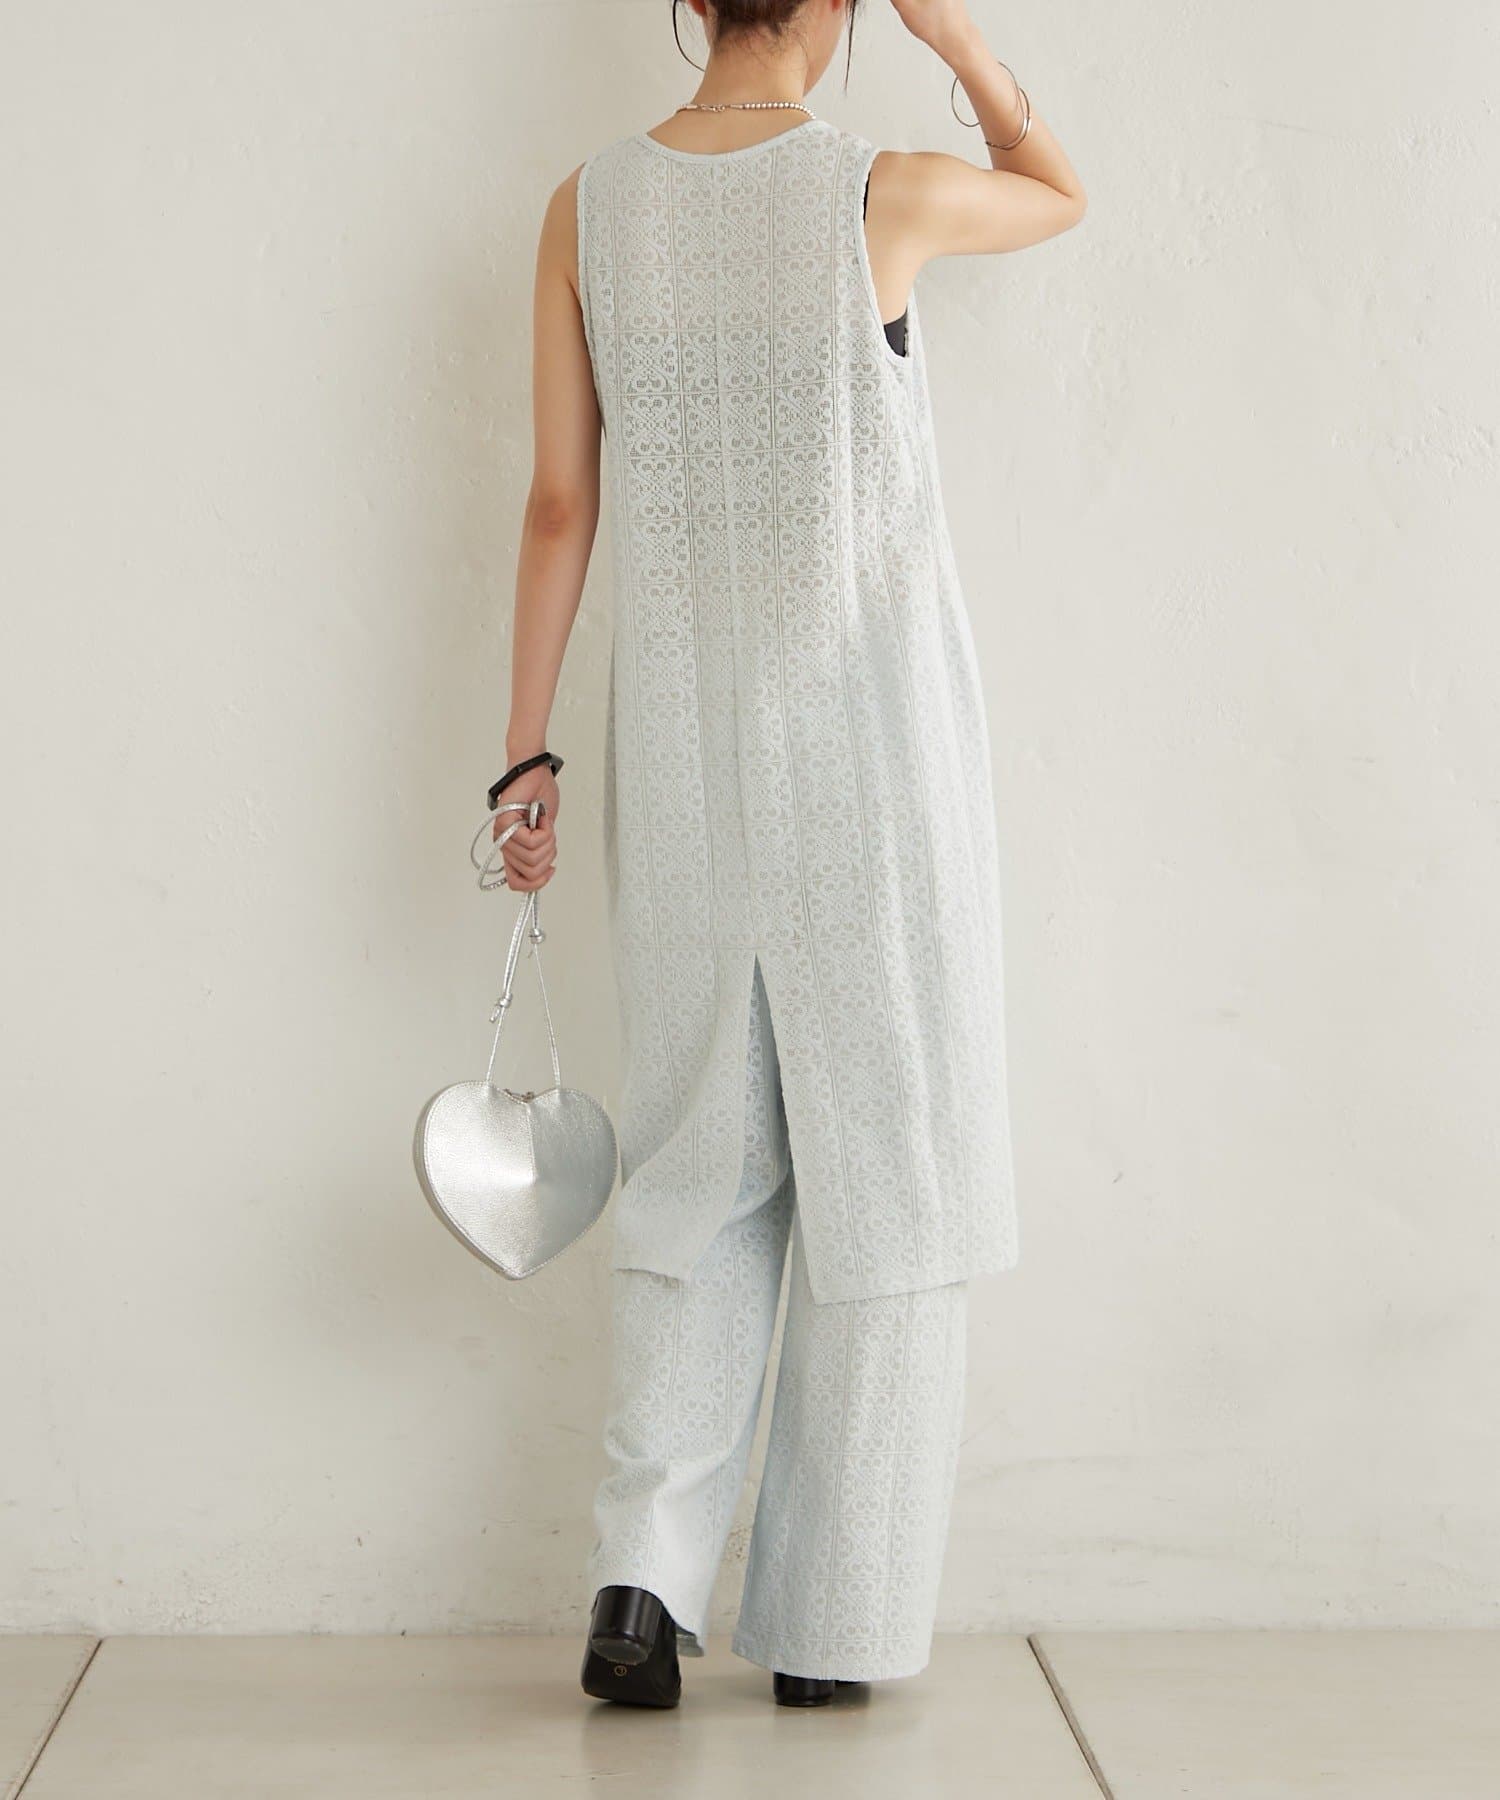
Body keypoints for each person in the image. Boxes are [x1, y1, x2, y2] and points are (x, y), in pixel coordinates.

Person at [488, 0, 1085, 1710]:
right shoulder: (881, 195)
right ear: (831, 6)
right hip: (872, 764)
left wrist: (524, 756)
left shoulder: (589, 207)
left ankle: (638, 1591)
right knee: (891, 1177)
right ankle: (835, 1632)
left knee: (698, 1166)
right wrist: (957, 38)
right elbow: (1058, 191)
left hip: (682, 764)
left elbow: (559, 503)